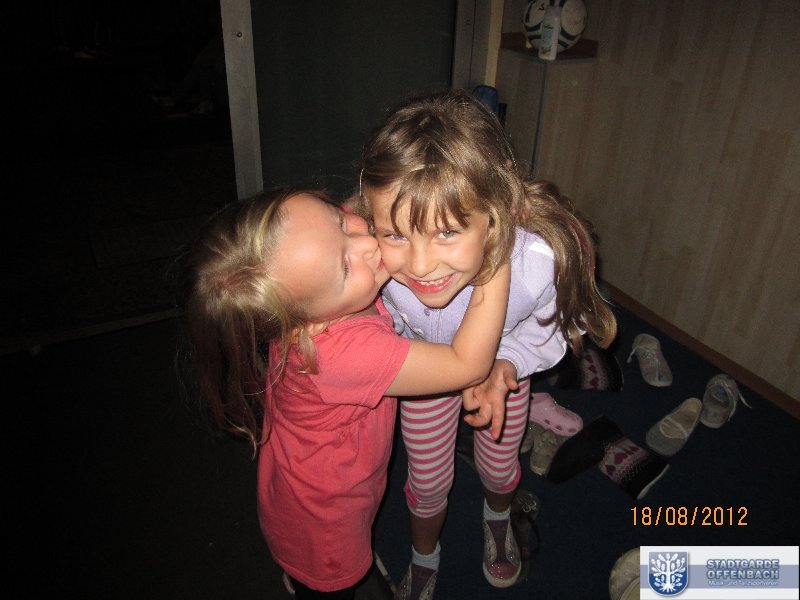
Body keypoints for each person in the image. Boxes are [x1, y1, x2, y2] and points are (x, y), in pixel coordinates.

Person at [177, 189, 511, 599]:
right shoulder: (340, 354)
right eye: (346, 267)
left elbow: (369, 198)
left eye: (337, 218)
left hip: (294, 477)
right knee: (332, 586)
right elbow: (466, 364)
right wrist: (497, 256)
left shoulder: (311, 268)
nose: (367, 242)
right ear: (307, 321)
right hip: (326, 523)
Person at [356, 89, 617, 598]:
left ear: (497, 213)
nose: (420, 265)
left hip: (501, 373)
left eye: (446, 233)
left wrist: (509, 363)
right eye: (396, 235)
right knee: (427, 484)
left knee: (500, 469)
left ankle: (498, 517)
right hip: (425, 376)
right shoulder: (372, 260)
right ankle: (424, 555)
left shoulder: (535, 264)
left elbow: (552, 327)